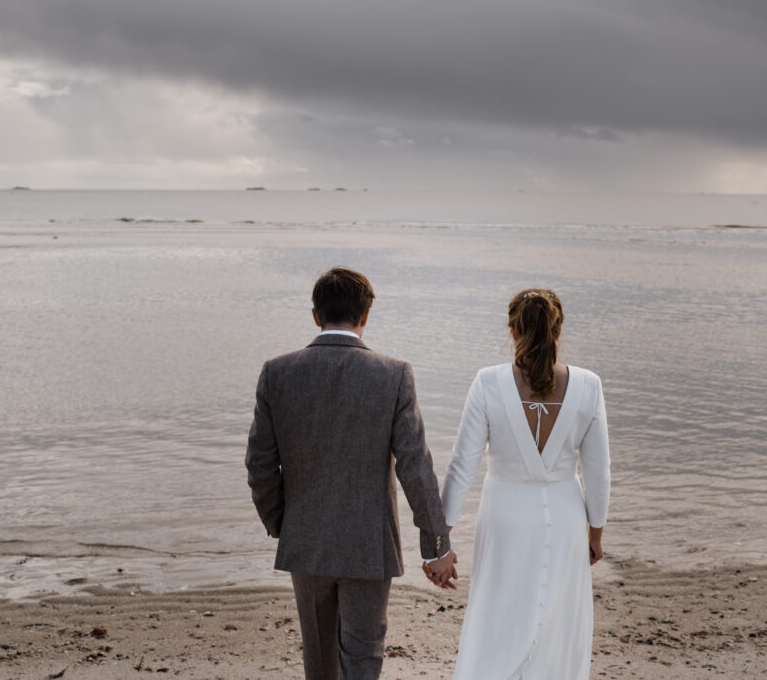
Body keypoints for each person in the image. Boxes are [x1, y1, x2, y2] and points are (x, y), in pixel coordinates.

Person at [246, 266, 458, 680]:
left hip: (305, 542)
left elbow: (259, 466)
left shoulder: (277, 372)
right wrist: (435, 547)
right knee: (362, 660)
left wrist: (284, 524)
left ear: (315, 315)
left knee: (319, 662)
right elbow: (415, 466)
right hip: (369, 545)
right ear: (365, 316)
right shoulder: (393, 374)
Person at [437, 288, 611, 680]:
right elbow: (599, 472)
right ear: (558, 330)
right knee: (557, 619)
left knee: (497, 614)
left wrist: (440, 539)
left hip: (504, 515)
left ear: (512, 330)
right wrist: (595, 531)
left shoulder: (488, 383)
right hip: (566, 518)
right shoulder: (588, 385)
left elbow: (462, 464)